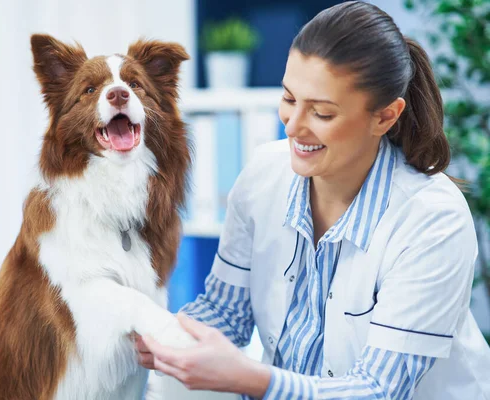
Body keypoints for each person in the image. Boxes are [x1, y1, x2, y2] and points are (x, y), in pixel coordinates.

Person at [136, 1, 490, 399]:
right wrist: (149, 335)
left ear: (385, 117)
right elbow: (224, 313)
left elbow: (379, 390)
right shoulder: (263, 176)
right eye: (289, 98)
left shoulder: (433, 218)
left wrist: (251, 379)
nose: (293, 125)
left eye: (321, 113)